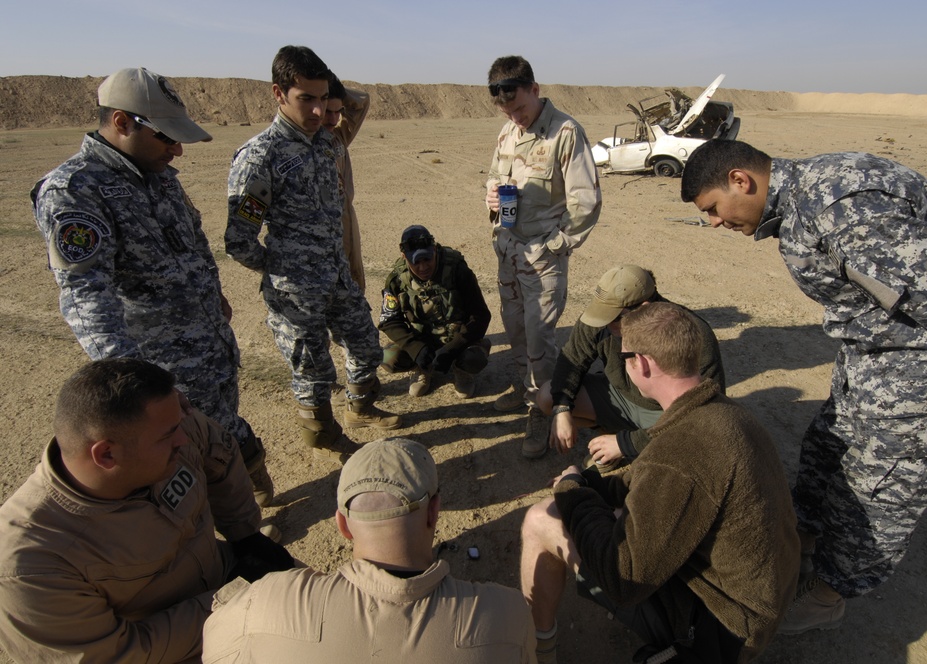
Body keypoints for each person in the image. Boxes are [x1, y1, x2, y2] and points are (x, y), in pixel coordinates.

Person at [680, 139, 927, 634]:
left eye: (714, 209)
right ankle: (802, 544)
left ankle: (827, 595)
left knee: (880, 492)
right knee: (825, 455)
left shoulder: (839, 205)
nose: (715, 223)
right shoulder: (806, 202)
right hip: (876, 369)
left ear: (741, 181)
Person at [30, 67, 275, 507]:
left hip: (210, 347)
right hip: (164, 372)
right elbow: (87, 300)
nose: (178, 149)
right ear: (122, 122)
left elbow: (193, 245)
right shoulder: (75, 191)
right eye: (166, 137)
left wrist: (213, 296)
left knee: (225, 434)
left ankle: (244, 487)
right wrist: (138, 389)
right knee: (181, 465)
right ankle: (226, 536)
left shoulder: (158, 174)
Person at [519, 302, 798, 664]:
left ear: (643, 364)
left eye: (624, 359)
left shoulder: (681, 451)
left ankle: (537, 649)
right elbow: (645, 478)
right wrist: (586, 482)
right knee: (612, 509)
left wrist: (572, 495)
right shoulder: (723, 413)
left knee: (542, 520)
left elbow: (624, 576)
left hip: (723, 627)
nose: (621, 366)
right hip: (758, 597)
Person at [0, 358, 294, 663]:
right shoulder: (32, 564)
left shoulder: (165, 429)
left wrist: (245, 535)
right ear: (106, 453)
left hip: (230, 577)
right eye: (169, 435)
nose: (183, 438)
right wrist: (236, 599)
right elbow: (117, 656)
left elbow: (219, 451)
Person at [202, 438, 537, 663]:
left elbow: (214, 647)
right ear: (434, 512)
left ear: (342, 525)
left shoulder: (266, 601)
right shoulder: (505, 613)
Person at [226, 45, 400, 465]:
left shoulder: (326, 143)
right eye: (307, 99)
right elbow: (240, 240)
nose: (320, 110)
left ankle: (360, 407)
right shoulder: (259, 157)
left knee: (364, 343)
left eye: (324, 99)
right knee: (312, 367)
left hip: (337, 275)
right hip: (295, 290)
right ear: (278, 93)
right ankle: (322, 434)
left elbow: (353, 103)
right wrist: (282, 268)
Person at [484, 55, 602, 458]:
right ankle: (523, 386)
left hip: (542, 257)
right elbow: (496, 177)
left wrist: (555, 246)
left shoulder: (565, 132)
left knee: (540, 336)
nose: (514, 116)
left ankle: (543, 407)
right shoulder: (507, 132)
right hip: (508, 251)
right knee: (514, 327)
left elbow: (585, 203)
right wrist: (491, 197)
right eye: (506, 110)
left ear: (535, 89)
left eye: (518, 107)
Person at [537, 264, 726, 462]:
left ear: (644, 308)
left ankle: (630, 446)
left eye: (615, 318)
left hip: (665, 412)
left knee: (690, 449)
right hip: (621, 397)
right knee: (547, 397)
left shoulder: (691, 333)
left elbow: (704, 410)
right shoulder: (603, 317)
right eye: (603, 313)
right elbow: (571, 361)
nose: (606, 324)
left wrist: (627, 443)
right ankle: (617, 437)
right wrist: (562, 408)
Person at [379, 224, 492, 399]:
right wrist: (417, 349)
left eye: (427, 259)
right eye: (416, 262)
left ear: (435, 250)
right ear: (404, 257)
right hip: (423, 339)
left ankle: (460, 370)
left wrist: (452, 349)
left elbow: (481, 315)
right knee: (389, 358)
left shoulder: (457, 270)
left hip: (456, 338)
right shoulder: (397, 279)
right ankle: (422, 368)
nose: (423, 267)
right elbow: (389, 321)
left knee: (474, 358)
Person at [322, 75, 370, 293]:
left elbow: (363, 101)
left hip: (348, 227)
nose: (333, 120)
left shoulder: (338, 139)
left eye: (337, 112)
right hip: (326, 245)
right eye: (327, 112)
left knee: (355, 292)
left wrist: (333, 88)